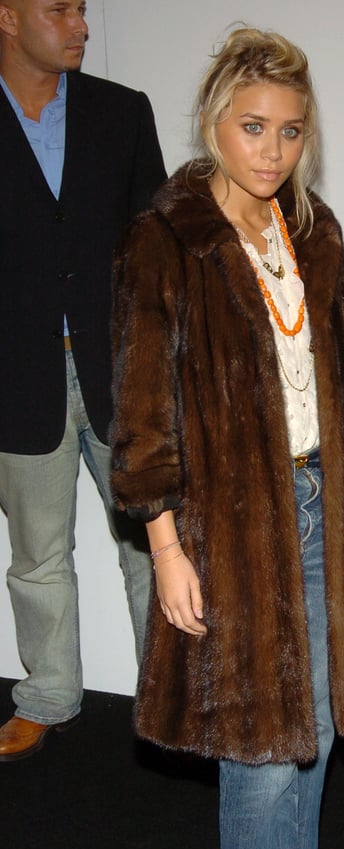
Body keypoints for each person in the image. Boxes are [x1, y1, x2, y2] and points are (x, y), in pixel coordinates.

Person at [110, 27, 344, 849]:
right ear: (213, 120)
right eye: (252, 126)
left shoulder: (314, 233)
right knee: (260, 749)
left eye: (290, 132)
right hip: (228, 525)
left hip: (320, 502)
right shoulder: (166, 239)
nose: (271, 149)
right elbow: (140, 415)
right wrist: (166, 542)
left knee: (308, 728)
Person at [0, 0, 165, 761]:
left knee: (154, 546)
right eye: (60, 7)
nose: (81, 24)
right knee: (37, 554)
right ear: (7, 15)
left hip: (122, 374)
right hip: (17, 378)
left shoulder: (122, 113)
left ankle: (168, 703)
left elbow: (156, 245)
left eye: (82, 8)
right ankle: (49, 696)